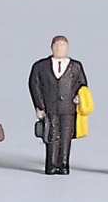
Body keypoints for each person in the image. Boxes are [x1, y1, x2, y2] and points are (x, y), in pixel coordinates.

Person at [27, 35, 88, 175]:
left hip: (68, 108)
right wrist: (39, 106)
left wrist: (80, 97)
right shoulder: (40, 66)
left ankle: (64, 164)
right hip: (50, 108)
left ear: (67, 48)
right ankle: (51, 164)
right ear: (51, 47)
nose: (59, 48)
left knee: (66, 136)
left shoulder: (76, 66)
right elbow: (34, 85)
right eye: (57, 45)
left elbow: (82, 85)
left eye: (62, 45)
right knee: (51, 135)